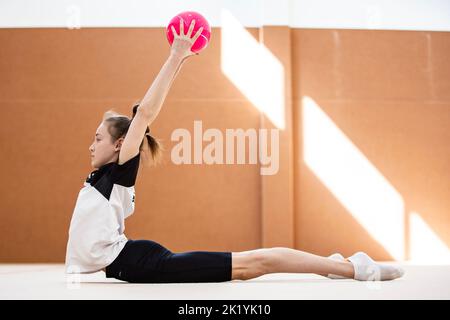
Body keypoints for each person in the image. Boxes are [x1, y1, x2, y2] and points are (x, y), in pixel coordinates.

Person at [65, 19, 405, 283]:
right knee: (253, 263)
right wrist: (181, 58)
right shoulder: (101, 179)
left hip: (143, 263)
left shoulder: (117, 173)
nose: (90, 144)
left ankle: (351, 268)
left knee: (255, 263)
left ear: (120, 145)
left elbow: (145, 114)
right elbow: (143, 116)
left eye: (97, 138)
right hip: (133, 263)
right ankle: (333, 265)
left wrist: (175, 57)